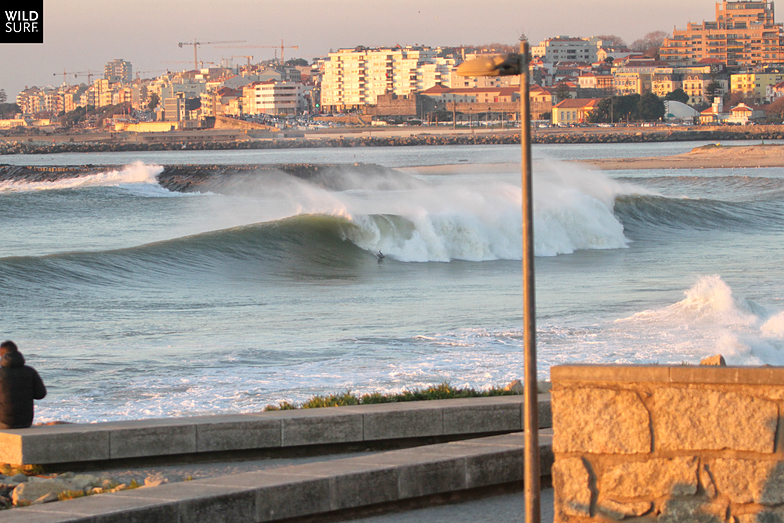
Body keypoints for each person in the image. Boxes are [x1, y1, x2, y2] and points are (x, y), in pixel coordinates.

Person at [0, 341, 46, 429]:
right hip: (26, 422)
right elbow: (40, 394)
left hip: (4, 422)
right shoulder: (30, 371)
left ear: (2, 356)